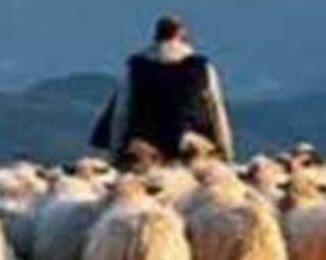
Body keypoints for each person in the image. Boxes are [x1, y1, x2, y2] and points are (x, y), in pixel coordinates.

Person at [97, 14, 235, 162]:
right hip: (189, 144)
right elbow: (216, 109)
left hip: (145, 146)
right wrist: (226, 151)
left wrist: (116, 151)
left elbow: (122, 113)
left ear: (156, 35)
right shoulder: (202, 68)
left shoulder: (136, 67)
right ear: (181, 34)